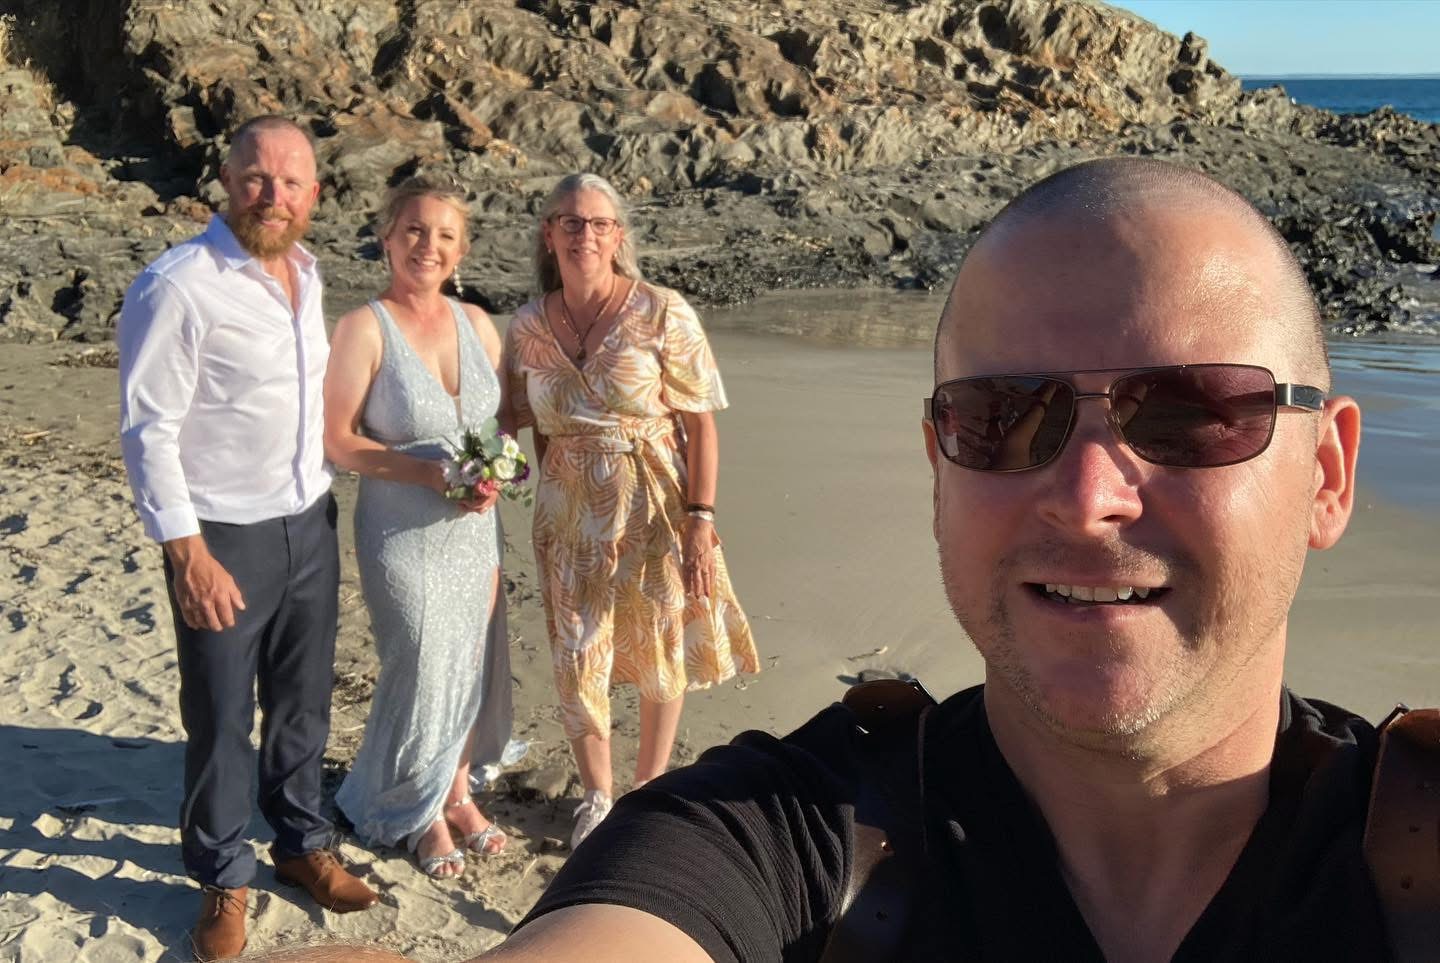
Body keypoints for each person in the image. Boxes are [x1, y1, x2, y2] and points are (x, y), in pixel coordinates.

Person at [475, 156, 1392, 961]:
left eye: (1191, 413)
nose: (1088, 497)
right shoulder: (774, 837)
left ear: (1328, 474)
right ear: (938, 472)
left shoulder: (1408, 854)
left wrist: (697, 514)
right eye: (1002, 417)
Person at [117, 115, 377, 962]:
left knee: (302, 701)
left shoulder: (307, 271)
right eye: (258, 177)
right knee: (222, 715)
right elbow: (148, 429)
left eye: (291, 182)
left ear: (314, 194)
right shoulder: (177, 285)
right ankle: (223, 874)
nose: (274, 195)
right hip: (223, 533)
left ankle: (300, 844)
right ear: (227, 181)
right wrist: (187, 552)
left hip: (310, 520)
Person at [504, 172, 760, 848]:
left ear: (618, 235)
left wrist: (701, 517)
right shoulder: (527, 325)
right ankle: (597, 792)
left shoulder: (662, 311)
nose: (585, 234)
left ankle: (647, 785)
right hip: (566, 512)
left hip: (653, 502)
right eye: (571, 222)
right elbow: (529, 426)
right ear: (549, 234)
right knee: (577, 649)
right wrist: (530, 485)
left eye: (599, 223)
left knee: (657, 642)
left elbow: (700, 424)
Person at [323, 175, 512, 880]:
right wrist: (426, 473)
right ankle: (414, 807)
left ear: (461, 251)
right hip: (400, 530)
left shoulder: (478, 324)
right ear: (386, 238)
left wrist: (496, 474)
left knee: (468, 658)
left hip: (473, 529)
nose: (427, 246)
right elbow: (338, 440)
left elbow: (497, 425)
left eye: (444, 235)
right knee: (422, 658)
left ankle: (456, 791)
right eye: (413, 230)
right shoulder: (364, 327)